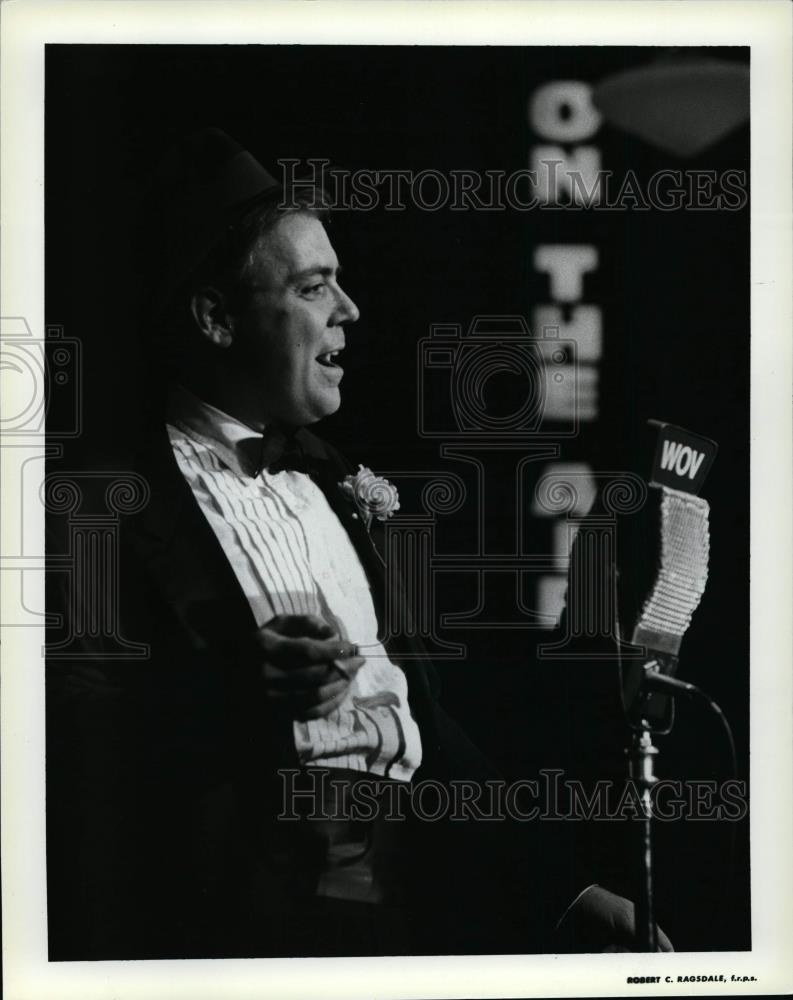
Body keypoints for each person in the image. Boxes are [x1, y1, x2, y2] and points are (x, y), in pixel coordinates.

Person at [46, 128, 671, 960]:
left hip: (403, 916)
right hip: (233, 920)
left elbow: (428, 723)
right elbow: (60, 724)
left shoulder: (340, 487)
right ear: (215, 318)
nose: (350, 309)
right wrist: (228, 687)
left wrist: (570, 891)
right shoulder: (104, 495)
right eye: (314, 287)